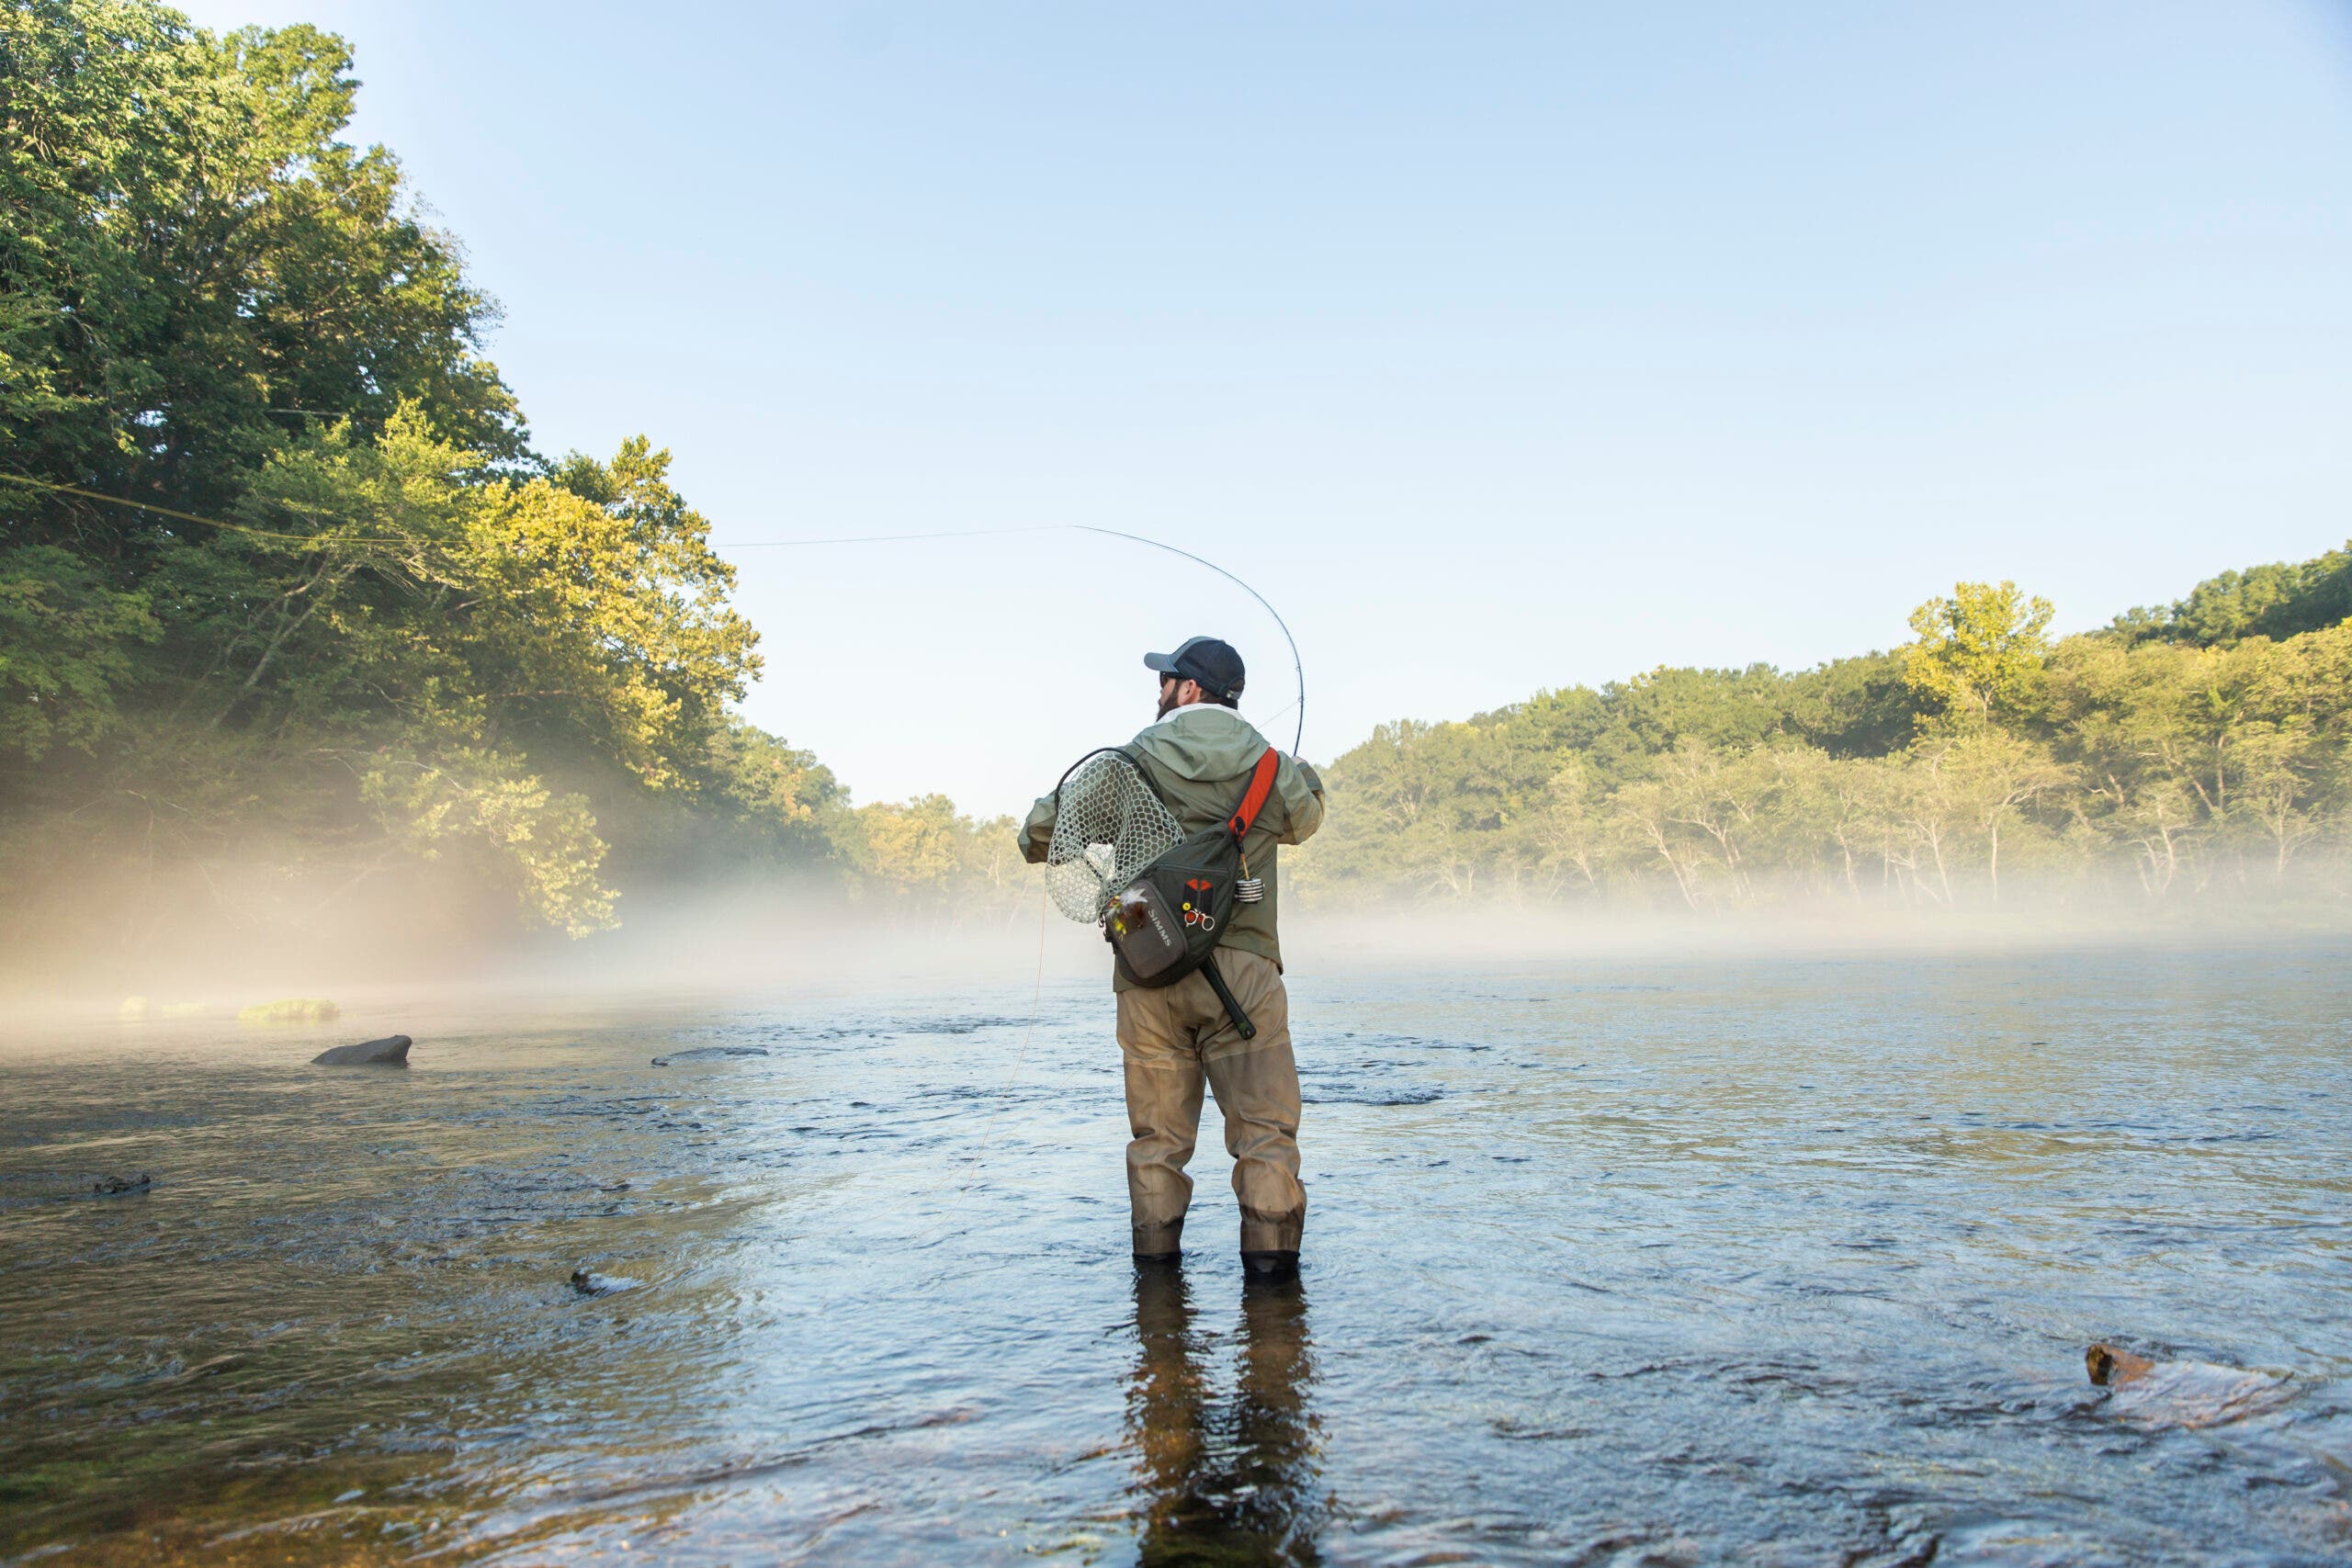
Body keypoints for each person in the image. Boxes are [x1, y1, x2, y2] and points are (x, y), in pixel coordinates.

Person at [1020, 637, 1327, 1280]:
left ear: (1188, 690)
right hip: (1244, 974)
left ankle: (1159, 1322)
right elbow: (1308, 817)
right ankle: (1274, 1316)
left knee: (1157, 1146)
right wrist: (1303, 771)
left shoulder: (1128, 761)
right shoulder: (1271, 766)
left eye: (1165, 680)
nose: (1157, 690)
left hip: (1146, 964)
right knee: (1266, 1137)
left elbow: (1039, 836)